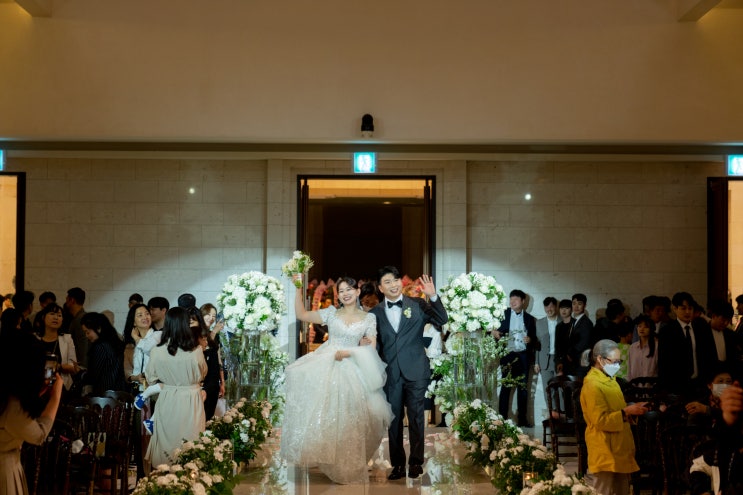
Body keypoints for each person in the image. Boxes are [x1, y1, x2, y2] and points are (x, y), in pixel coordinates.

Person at [281, 276, 392, 484]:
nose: (345, 294)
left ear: (357, 292)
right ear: (338, 296)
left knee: (354, 417)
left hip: (354, 368)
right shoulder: (331, 313)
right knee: (329, 415)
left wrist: (350, 352)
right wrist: (297, 288)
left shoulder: (369, 318)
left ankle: (348, 463)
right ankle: (330, 460)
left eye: (349, 289)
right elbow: (301, 314)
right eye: (341, 291)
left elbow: (370, 346)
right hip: (328, 365)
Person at [370, 266, 448, 481]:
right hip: (390, 374)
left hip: (416, 370)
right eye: (387, 282)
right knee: (394, 420)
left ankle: (415, 462)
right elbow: (375, 346)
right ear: (380, 288)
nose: (393, 284)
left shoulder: (418, 304)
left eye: (395, 280)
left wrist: (433, 296)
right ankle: (397, 464)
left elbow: (442, 320)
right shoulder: (374, 314)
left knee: (416, 417)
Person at [580, 339, 649, 495]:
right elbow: (600, 420)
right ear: (600, 359)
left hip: (619, 447)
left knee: (622, 490)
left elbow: (618, 410)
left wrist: (632, 411)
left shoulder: (610, 381)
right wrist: (626, 412)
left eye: (619, 362)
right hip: (604, 446)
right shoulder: (592, 384)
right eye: (615, 361)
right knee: (603, 491)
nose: (617, 366)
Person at [0, 331, 64, 495]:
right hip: (4, 470)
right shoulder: (12, 405)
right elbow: (38, 435)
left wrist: (35, 394)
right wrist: (55, 397)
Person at [145, 307, 207, 467]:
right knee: (191, 441)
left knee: (167, 442)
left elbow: (150, 378)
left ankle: (164, 478)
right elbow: (202, 374)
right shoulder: (196, 350)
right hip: (191, 400)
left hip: (168, 398)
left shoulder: (157, 351)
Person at [493, 289, 537, 427]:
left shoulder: (529, 318)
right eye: (511, 299)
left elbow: (534, 339)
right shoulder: (502, 314)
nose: (512, 302)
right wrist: (493, 332)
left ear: (523, 301)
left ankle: (522, 419)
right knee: (506, 387)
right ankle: (502, 418)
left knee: (523, 388)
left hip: (523, 356)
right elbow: (489, 328)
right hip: (507, 355)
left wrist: (530, 340)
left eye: (516, 299)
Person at [33, 303, 80, 393]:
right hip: (37, 386)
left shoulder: (67, 339)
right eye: (52, 314)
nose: (56, 318)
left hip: (62, 387)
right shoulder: (34, 338)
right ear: (43, 317)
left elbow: (73, 367)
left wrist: (58, 366)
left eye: (59, 315)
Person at [80, 312, 126, 396]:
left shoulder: (100, 347)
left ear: (98, 329)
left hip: (104, 397)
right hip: (118, 395)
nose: (86, 336)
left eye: (88, 332)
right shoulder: (115, 343)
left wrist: (80, 373)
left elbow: (93, 376)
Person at [626, 315, 658, 381]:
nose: (642, 329)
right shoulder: (633, 347)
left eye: (646, 327)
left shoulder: (657, 346)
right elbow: (629, 368)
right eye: (639, 326)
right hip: (634, 384)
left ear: (651, 329)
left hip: (652, 384)